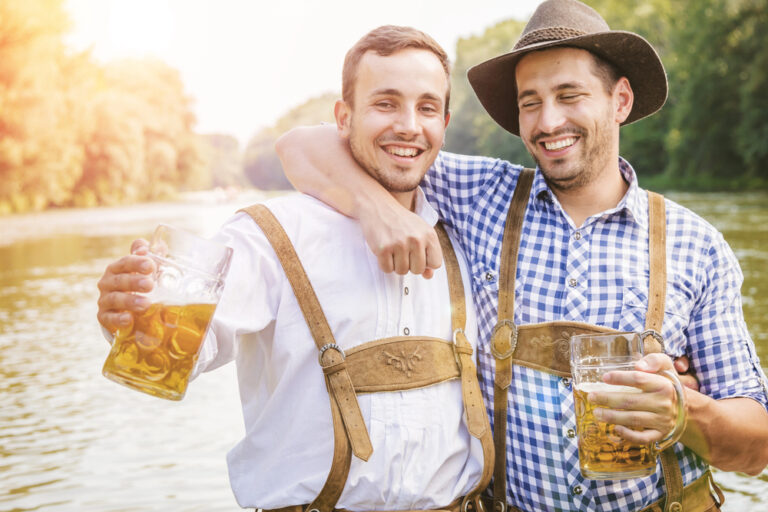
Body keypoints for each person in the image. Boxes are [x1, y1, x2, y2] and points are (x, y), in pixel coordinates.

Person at [275, 1, 768, 511]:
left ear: (620, 100)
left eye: (569, 95)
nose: (548, 121)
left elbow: (757, 447)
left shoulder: (696, 244)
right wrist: (376, 208)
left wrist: (684, 413)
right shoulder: (479, 195)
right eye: (530, 102)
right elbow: (301, 145)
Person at [96, 26, 495, 511]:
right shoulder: (270, 235)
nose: (409, 126)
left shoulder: (467, 231)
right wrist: (130, 314)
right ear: (343, 118)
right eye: (385, 104)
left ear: (445, 123)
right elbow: (189, 347)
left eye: (427, 108)